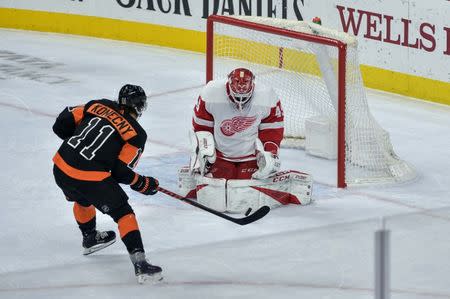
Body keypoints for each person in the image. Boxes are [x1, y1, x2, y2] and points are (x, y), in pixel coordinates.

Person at [52, 84, 162, 284]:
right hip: (88, 176)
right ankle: (141, 264)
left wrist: (78, 147)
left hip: (61, 166)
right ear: (139, 107)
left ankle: (90, 237)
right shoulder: (137, 134)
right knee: (123, 213)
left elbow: (60, 123)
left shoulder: (97, 105)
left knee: (82, 198)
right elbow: (120, 172)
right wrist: (142, 183)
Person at [180, 68, 312, 213]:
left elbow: (272, 130)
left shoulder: (266, 96)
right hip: (220, 156)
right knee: (217, 189)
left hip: (251, 158)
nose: (240, 101)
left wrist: (269, 154)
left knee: (244, 192)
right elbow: (202, 128)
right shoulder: (211, 93)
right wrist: (204, 153)